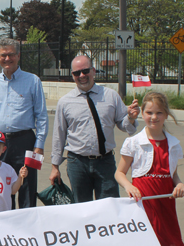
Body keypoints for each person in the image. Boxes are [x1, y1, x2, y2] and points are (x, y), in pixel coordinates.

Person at [115, 92, 184, 246]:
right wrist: (129, 187)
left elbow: (172, 174)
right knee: (145, 239)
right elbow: (119, 173)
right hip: (143, 200)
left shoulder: (173, 144)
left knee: (166, 239)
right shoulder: (134, 142)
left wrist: (179, 184)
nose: (154, 117)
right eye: (149, 113)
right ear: (142, 113)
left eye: (159, 113)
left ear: (166, 114)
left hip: (165, 200)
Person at [49, 55, 141, 203]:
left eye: (85, 71)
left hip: (105, 162)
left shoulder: (111, 96)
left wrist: (130, 117)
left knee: (110, 206)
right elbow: (59, 135)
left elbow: (124, 126)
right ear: (72, 76)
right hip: (77, 163)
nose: (82, 76)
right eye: (77, 73)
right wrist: (55, 167)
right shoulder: (65, 102)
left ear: (93, 71)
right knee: (81, 209)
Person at [0, 38, 48, 209]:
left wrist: (39, 145)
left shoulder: (32, 81)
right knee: (2, 186)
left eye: (11, 54)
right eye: (3, 55)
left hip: (25, 141)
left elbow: (41, 116)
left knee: (26, 186)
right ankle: (6, 229)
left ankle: (27, 228)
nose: (7, 59)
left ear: (18, 56)